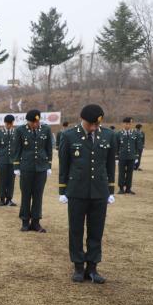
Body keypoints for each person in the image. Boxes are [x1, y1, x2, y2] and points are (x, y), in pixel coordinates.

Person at [58, 104, 116, 284]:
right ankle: (78, 266)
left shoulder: (108, 135)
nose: (94, 127)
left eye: (96, 125)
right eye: (91, 124)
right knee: (76, 230)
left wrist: (111, 190)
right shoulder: (68, 136)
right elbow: (64, 165)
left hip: (99, 191)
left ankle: (92, 267)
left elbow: (110, 165)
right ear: (82, 120)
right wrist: (63, 190)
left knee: (96, 231)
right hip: (76, 191)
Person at [13, 109, 53, 232]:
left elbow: (48, 148)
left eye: (37, 122)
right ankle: (25, 221)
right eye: (32, 122)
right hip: (26, 167)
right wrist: (16, 166)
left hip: (41, 167)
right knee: (26, 195)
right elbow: (17, 149)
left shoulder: (46, 129)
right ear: (28, 121)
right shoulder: (20, 130)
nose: (35, 124)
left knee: (38, 195)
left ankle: (36, 222)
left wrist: (49, 166)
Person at [0, 115, 17, 207]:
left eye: (10, 124)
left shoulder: (16, 132)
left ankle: (9, 199)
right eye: (7, 124)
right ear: (5, 123)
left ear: (12, 123)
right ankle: (2, 199)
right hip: (2, 160)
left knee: (11, 181)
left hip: (13, 161)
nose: (9, 125)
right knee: (2, 180)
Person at [115, 117, 139, 195]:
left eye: (129, 124)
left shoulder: (134, 133)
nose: (128, 125)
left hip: (131, 157)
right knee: (121, 173)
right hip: (122, 157)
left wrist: (136, 156)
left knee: (130, 173)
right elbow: (116, 146)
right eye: (126, 123)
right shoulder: (118, 134)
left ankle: (128, 188)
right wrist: (116, 157)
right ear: (123, 124)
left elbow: (136, 146)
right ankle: (121, 188)